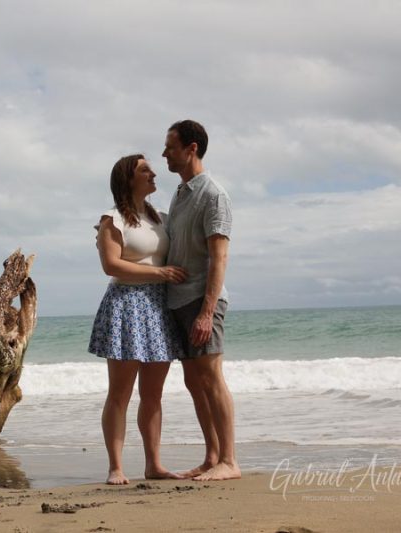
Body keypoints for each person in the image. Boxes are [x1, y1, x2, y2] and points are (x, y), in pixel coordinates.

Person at [88, 154, 187, 485]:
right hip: (127, 306)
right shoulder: (112, 220)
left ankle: (153, 464)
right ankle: (115, 466)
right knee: (120, 393)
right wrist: (158, 272)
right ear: (129, 179)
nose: (154, 173)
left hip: (159, 307)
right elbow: (111, 266)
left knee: (154, 393)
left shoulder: (160, 218)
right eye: (146, 170)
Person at [163, 119, 241, 481]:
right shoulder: (179, 195)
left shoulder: (213, 194)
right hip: (178, 301)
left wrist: (207, 311)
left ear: (191, 148)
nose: (165, 153)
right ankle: (212, 457)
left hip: (201, 300)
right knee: (194, 383)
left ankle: (230, 461)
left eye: (171, 147)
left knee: (211, 378)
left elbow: (219, 257)